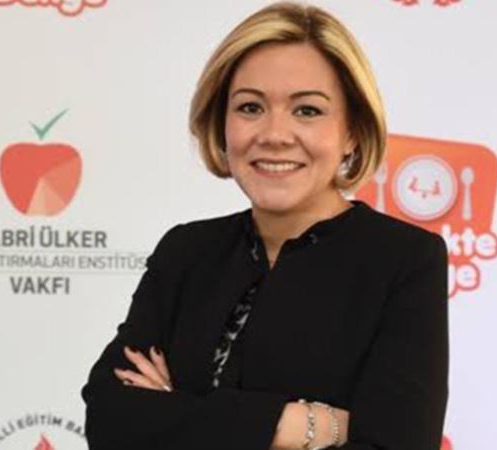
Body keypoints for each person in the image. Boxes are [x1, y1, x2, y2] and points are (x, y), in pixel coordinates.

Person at [81, 2, 449, 449]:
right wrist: (302, 424)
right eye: (250, 107)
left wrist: (177, 413)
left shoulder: (403, 260)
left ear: (352, 130)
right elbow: (111, 419)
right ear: (222, 123)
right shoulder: (186, 251)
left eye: (307, 110)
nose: (274, 135)